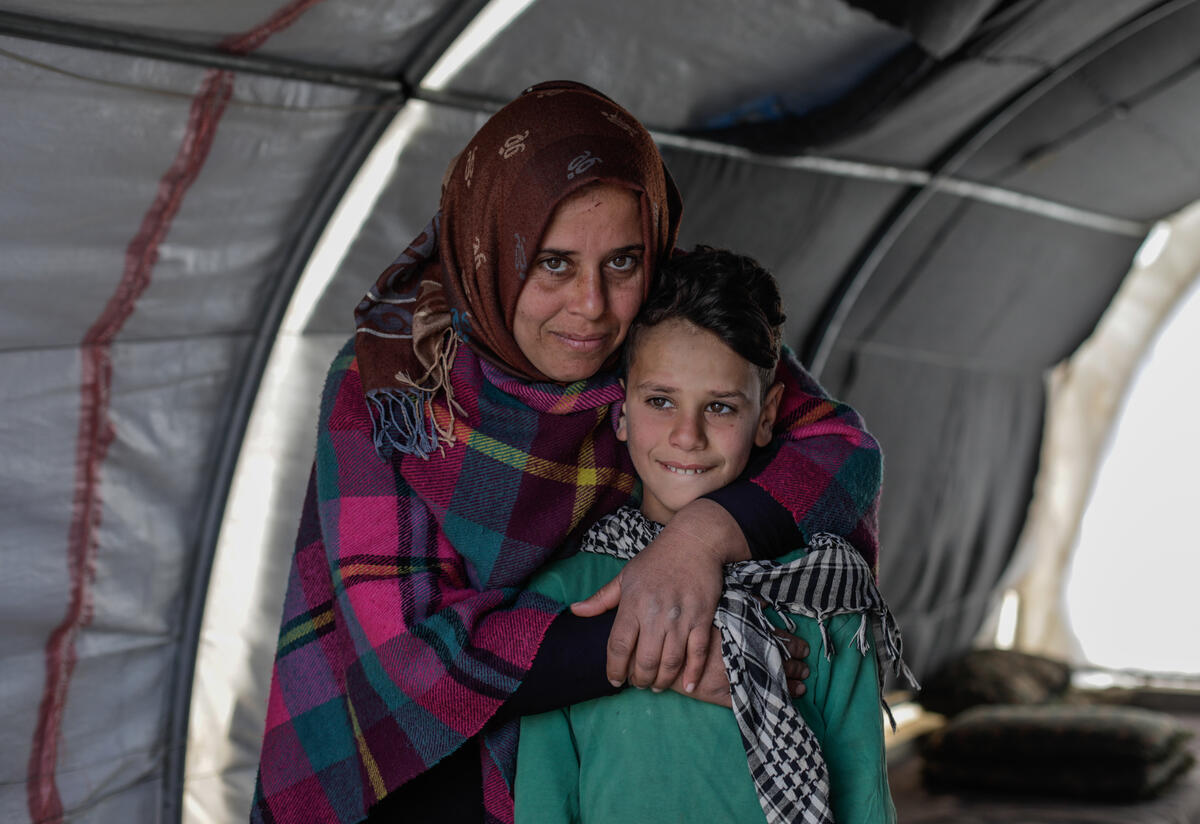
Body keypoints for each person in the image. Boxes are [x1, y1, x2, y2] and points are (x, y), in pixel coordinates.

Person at [251, 82, 883, 824]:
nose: (591, 305)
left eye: (623, 261)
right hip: (413, 780)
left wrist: (699, 542)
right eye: (552, 262)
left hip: (585, 758)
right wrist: (662, 645)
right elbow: (409, 664)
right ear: (492, 247)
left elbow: (840, 452)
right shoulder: (393, 385)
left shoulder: (661, 333)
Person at [514, 247, 912, 824]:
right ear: (620, 410)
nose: (687, 436)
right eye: (660, 401)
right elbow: (544, 801)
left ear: (767, 416)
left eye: (720, 407)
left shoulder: (824, 601)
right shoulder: (568, 594)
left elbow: (865, 798)